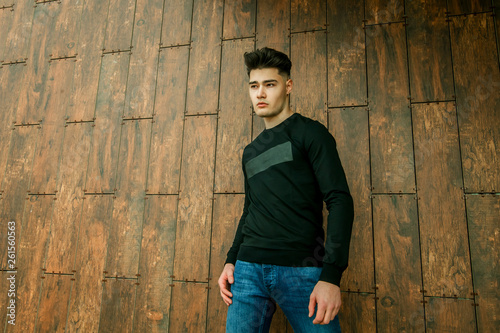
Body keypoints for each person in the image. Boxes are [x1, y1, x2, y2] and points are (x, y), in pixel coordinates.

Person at [218, 47, 354, 333]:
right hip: (247, 271)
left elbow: (339, 201)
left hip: (302, 272)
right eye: (254, 86)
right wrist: (231, 260)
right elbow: (250, 210)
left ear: (288, 86)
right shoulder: (250, 152)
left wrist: (331, 276)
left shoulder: (311, 134)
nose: (260, 93)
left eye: (270, 84)